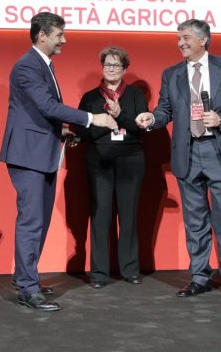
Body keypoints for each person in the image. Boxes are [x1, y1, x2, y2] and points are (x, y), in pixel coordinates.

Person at [0, 12, 119, 311]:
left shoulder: (41, 64)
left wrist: (62, 130)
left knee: (38, 220)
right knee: (32, 222)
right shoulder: (27, 65)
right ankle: (27, 288)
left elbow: (38, 112)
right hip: (28, 155)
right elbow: (47, 105)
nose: (64, 39)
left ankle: (25, 277)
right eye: (59, 34)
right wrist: (94, 118)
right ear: (42, 35)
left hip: (43, 152)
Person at [136, 19, 221, 299]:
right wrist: (152, 118)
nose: (181, 43)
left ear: (204, 40)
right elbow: (165, 109)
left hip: (219, 150)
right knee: (195, 221)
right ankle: (199, 276)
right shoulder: (172, 73)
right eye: (178, 39)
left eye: (186, 38)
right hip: (187, 153)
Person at [77, 47, 149, 289]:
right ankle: (99, 273)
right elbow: (82, 131)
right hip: (99, 160)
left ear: (124, 69)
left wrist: (121, 115)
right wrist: (105, 124)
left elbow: (141, 128)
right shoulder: (90, 97)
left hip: (131, 159)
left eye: (116, 65)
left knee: (128, 216)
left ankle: (130, 270)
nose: (110, 68)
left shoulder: (136, 95)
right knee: (100, 215)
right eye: (107, 64)